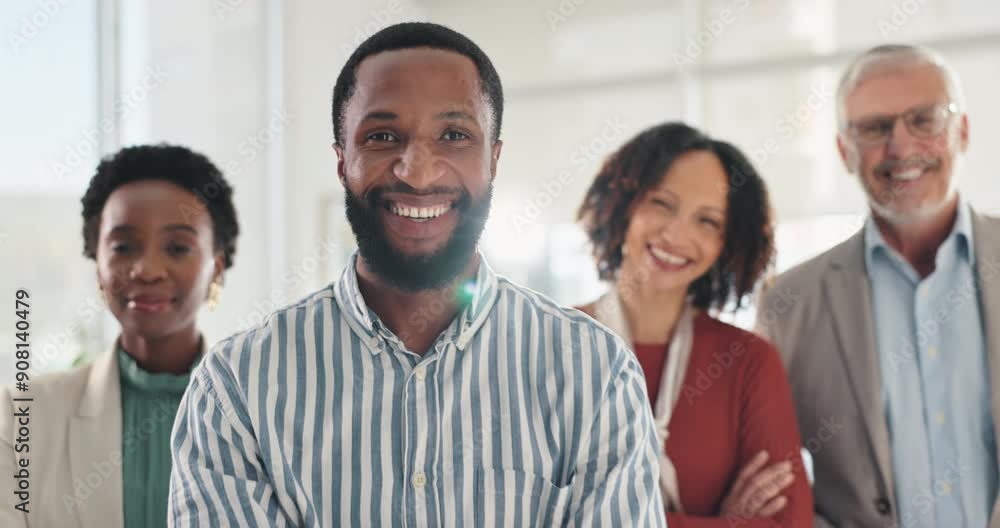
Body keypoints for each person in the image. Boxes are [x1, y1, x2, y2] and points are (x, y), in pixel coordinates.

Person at [167, 22, 665, 527]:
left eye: (454, 135)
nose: (418, 172)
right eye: (382, 136)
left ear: (493, 158)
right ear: (343, 160)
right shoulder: (237, 389)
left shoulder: (595, 374)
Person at [757, 44, 1000, 528]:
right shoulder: (788, 304)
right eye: (874, 128)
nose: (901, 147)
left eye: (924, 120)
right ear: (844, 152)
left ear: (963, 131)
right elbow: (774, 484)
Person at [575, 122, 813, 527]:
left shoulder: (747, 360)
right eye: (662, 204)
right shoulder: (550, 345)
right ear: (623, 206)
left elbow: (790, 522)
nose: (676, 234)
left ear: (726, 243)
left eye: (707, 221)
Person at [0, 144, 240, 527]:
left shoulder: (262, 412)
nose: (146, 270)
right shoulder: (21, 414)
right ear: (98, 263)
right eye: (123, 247)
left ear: (216, 268)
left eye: (177, 247)